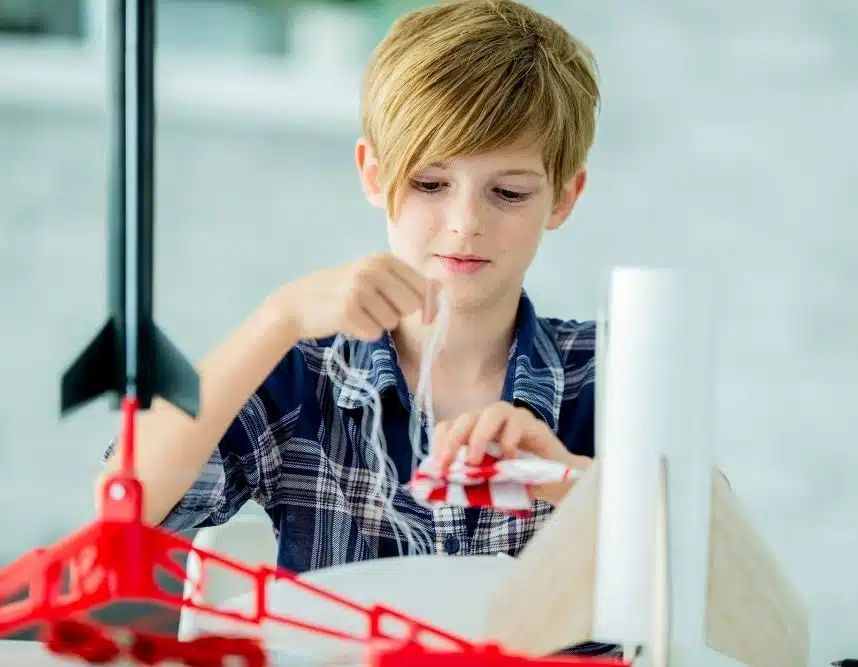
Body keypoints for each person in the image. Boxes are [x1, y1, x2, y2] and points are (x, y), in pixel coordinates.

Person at [101, 0, 600, 602]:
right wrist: (276, 319)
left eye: (510, 192)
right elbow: (123, 514)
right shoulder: (301, 376)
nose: (465, 222)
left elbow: (713, 576)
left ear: (565, 198)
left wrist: (577, 485)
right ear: (374, 174)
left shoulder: (614, 374)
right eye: (430, 184)